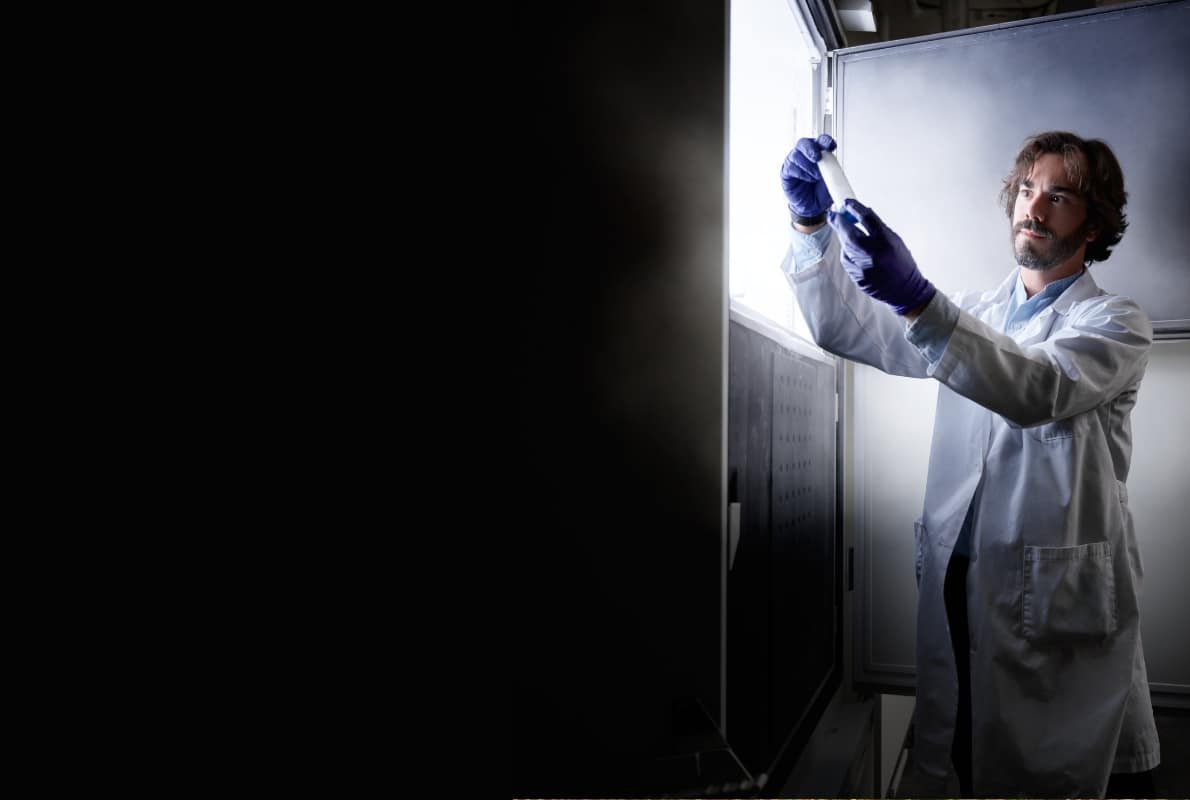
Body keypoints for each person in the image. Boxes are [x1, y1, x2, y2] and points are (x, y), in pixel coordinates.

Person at [778, 131, 1160, 798]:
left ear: (1095, 223)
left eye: (1059, 196)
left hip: (1054, 602)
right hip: (960, 581)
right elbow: (850, 329)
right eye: (1026, 188)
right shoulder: (977, 313)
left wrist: (919, 300)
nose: (1032, 209)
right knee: (960, 756)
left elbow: (1037, 388)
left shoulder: (1116, 323)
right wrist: (811, 225)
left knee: (1053, 772)